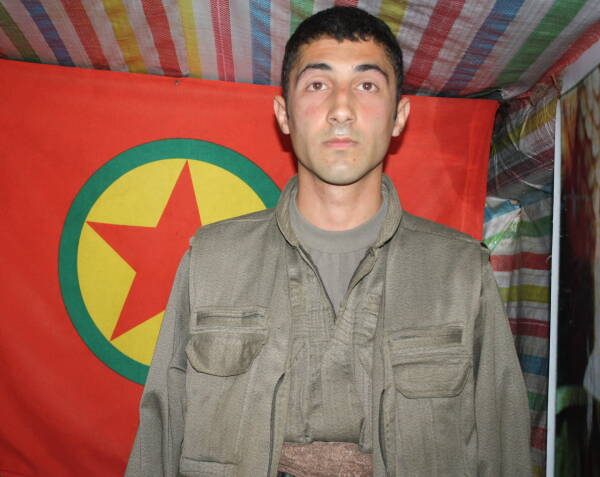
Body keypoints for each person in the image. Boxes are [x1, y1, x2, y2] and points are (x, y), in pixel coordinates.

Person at [126, 6, 532, 477]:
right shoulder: (213, 261)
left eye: (367, 86)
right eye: (317, 85)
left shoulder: (458, 273)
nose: (341, 109)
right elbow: (159, 435)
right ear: (284, 114)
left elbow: (503, 447)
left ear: (399, 116)